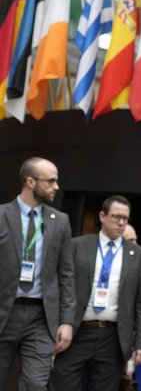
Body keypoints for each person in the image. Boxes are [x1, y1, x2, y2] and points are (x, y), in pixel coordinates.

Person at [52, 195, 141, 390]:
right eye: (116, 217)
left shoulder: (138, 254)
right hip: (77, 330)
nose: (121, 223)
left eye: (125, 218)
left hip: (113, 336)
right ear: (102, 216)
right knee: (62, 385)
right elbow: (62, 287)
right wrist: (62, 322)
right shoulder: (77, 246)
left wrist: (140, 343)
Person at [0, 157, 74, 390]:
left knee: (35, 384)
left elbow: (67, 274)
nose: (56, 187)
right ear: (30, 182)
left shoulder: (60, 221)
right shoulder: (1, 215)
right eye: (50, 181)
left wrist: (67, 321)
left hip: (41, 317)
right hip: (4, 313)